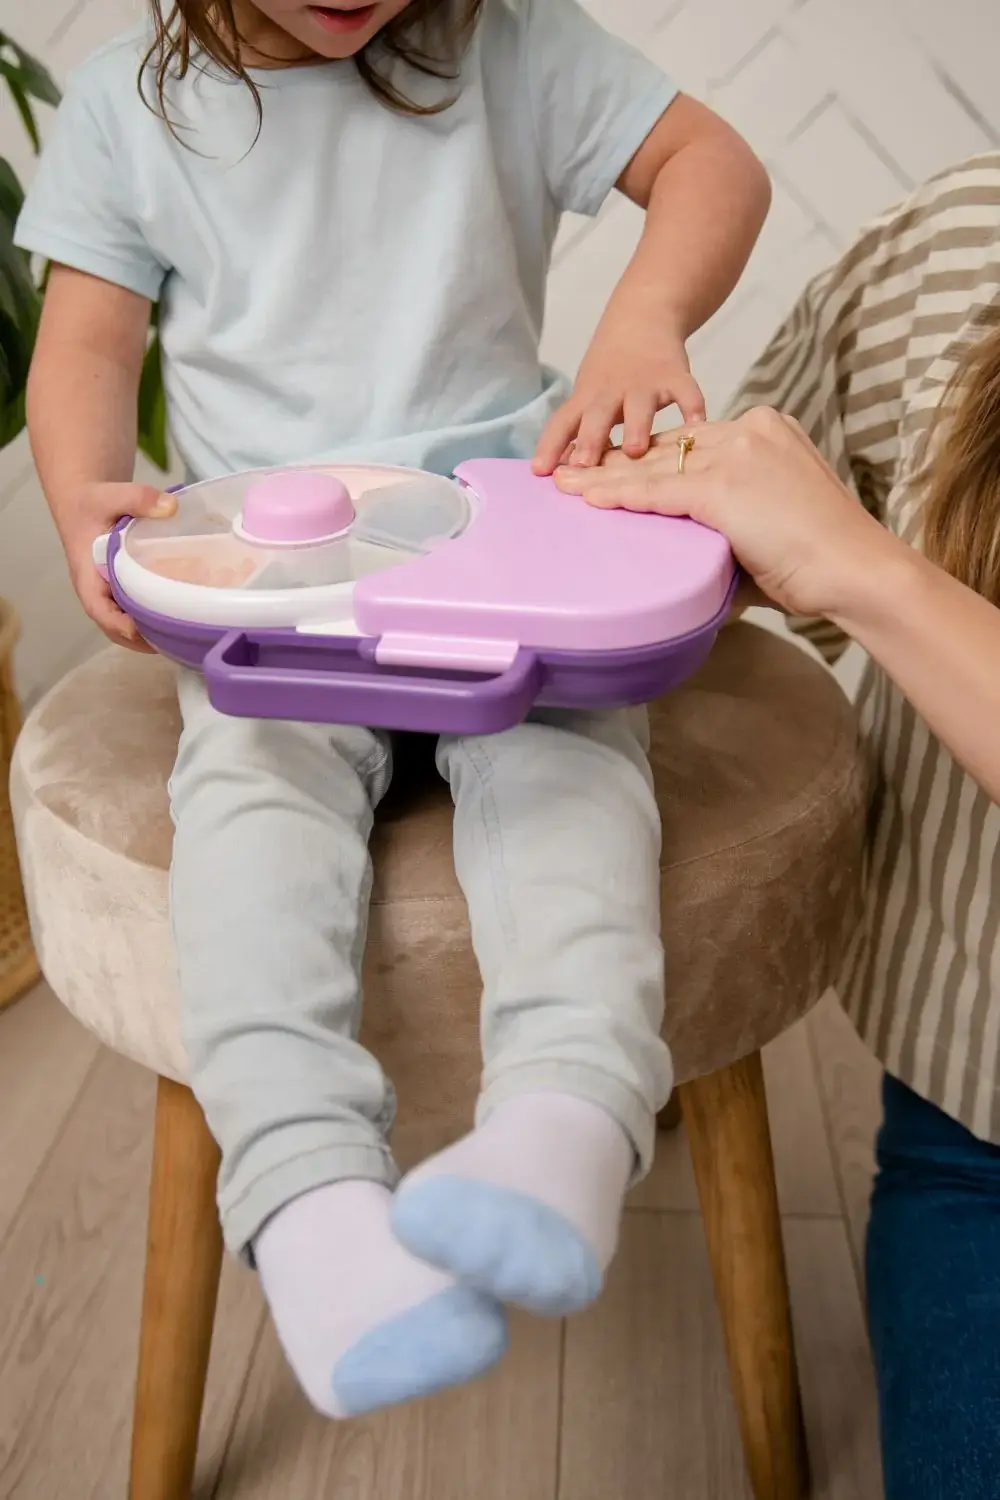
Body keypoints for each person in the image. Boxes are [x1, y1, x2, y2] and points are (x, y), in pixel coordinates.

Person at [16, 0, 770, 1420]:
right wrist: (83, 506)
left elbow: (711, 162)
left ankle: (566, 1119)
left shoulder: (511, 41)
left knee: (571, 771)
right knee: (250, 803)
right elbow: (88, 349)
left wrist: (643, 320)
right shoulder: (127, 108)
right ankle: (308, 1203)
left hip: (502, 543)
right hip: (278, 581)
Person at [559, 151, 1000, 1500]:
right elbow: (739, 485)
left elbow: (703, 160)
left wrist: (868, 572)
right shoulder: (954, 243)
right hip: (980, 1117)